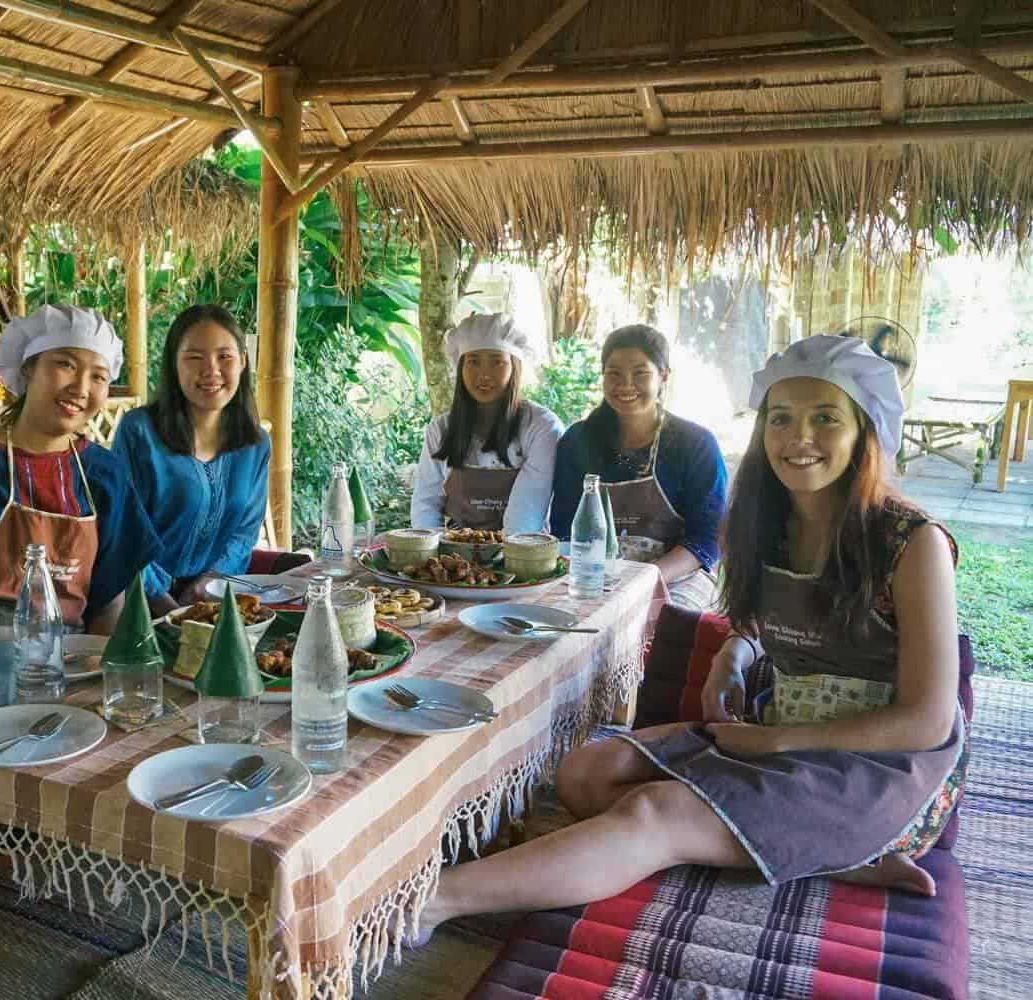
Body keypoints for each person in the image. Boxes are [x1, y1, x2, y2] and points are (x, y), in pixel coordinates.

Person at [412, 335, 965, 939]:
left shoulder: (911, 543)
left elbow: (927, 722)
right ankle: (811, 848)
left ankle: (431, 903)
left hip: (883, 769)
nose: (797, 438)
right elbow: (761, 620)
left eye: (825, 419)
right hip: (777, 728)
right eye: (780, 418)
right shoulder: (766, 523)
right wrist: (735, 651)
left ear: (865, 431)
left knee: (656, 811)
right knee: (583, 774)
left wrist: (771, 746)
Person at [0, 303, 159, 636]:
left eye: (98, 376)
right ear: (29, 368)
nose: (81, 387)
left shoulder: (105, 474)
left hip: (78, 662)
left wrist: (100, 672)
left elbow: (111, 602)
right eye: (65, 364)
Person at [549, 324, 727, 609]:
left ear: (663, 376)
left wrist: (645, 579)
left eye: (640, 373)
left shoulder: (694, 443)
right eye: (614, 373)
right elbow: (564, 526)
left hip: (675, 578)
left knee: (668, 633)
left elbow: (706, 539)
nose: (625, 385)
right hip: (594, 575)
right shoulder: (578, 441)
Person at [110, 304, 270, 615]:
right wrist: (168, 608)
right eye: (194, 357)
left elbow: (244, 533)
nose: (211, 370)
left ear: (242, 362)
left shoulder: (256, 443)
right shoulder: (139, 432)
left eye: (225, 356)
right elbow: (123, 533)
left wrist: (208, 585)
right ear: (174, 364)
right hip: (137, 604)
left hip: (216, 597)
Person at [410, 313, 562, 536]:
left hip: (522, 554)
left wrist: (505, 558)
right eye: (473, 362)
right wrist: (433, 553)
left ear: (514, 367)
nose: (484, 374)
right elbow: (426, 502)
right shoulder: (441, 429)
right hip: (453, 555)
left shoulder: (541, 427)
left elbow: (528, 509)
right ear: (460, 367)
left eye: (497, 362)